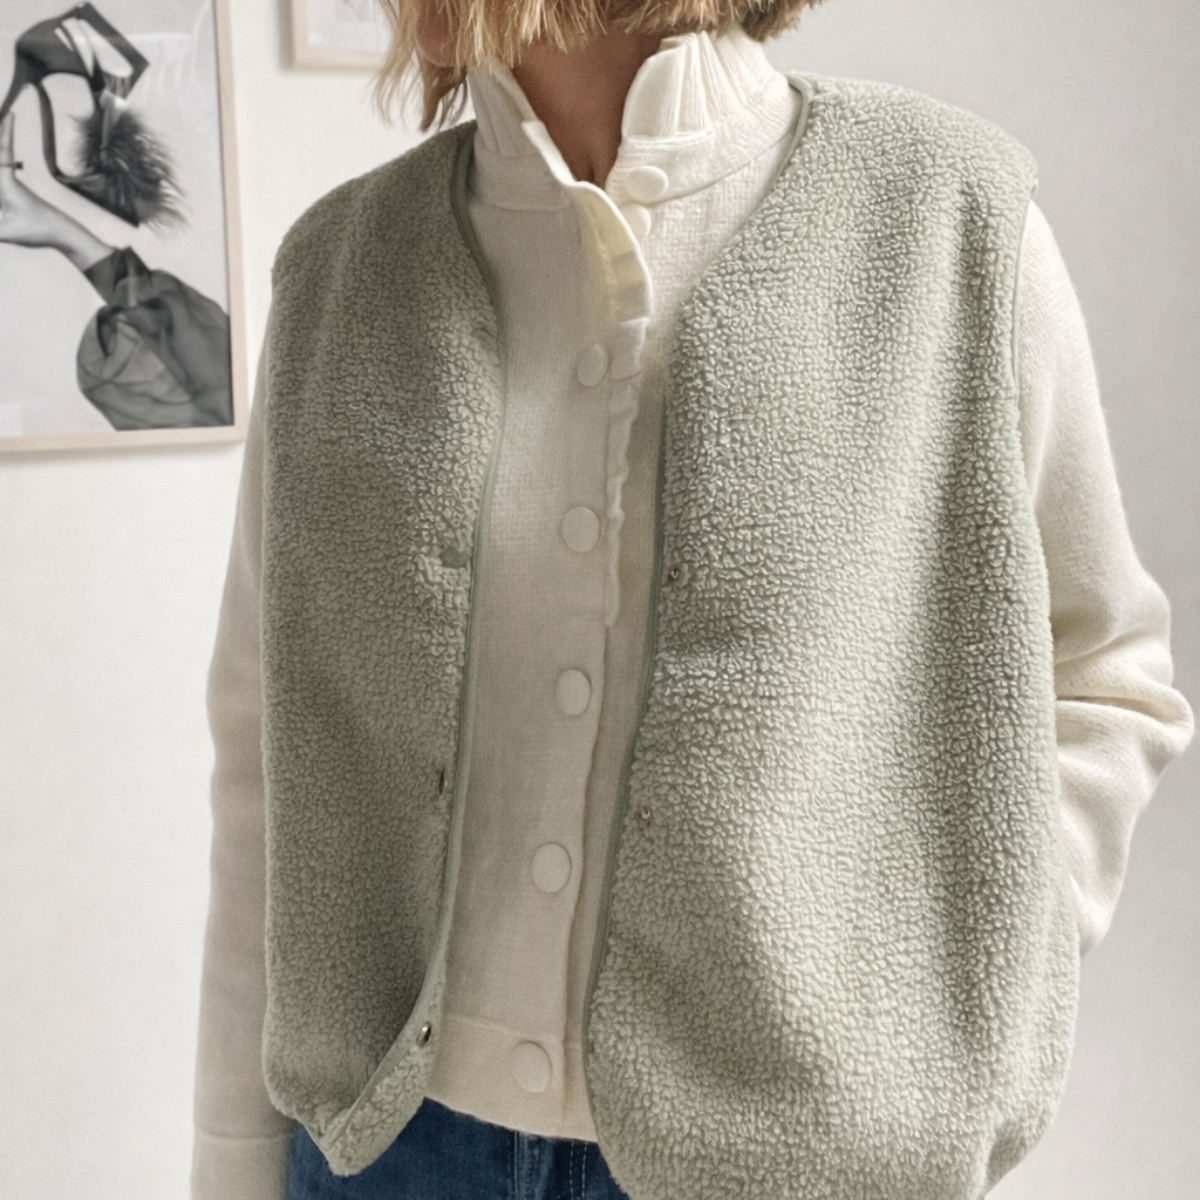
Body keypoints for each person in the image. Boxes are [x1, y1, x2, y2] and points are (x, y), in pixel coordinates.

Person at [194, 2, 1194, 1198]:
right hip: (387, 1153)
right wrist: (231, 1162)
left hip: (794, 1158)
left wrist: (967, 986)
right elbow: (269, 758)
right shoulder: (340, 271)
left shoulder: (948, 219)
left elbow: (1107, 678)